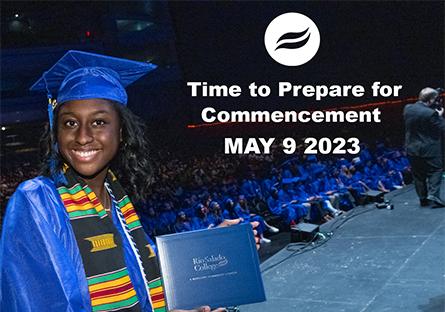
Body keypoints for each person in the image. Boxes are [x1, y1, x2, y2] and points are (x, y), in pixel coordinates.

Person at [0, 51, 227, 312]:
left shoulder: (119, 202)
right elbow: (37, 302)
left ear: (121, 132)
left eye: (99, 122)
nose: (83, 136)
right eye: (70, 123)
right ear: (56, 132)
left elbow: (140, 284)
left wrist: (216, 244)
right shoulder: (37, 200)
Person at [403, 87, 445, 208]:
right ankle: (434, 195)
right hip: (429, 149)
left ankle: (423, 198)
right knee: (436, 170)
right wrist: (440, 115)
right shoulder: (431, 114)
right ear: (431, 100)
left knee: (418, 175)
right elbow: (442, 128)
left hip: (412, 148)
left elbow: (419, 120)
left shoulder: (408, 108)